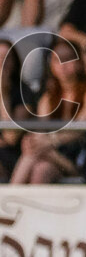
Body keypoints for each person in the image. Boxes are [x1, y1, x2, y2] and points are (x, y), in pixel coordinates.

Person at [9, 38, 86, 184]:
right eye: (57, 60)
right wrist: (32, 141)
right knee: (40, 167)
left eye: (68, 59)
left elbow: (81, 128)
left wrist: (49, 142)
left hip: (83, 157)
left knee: (36, 159)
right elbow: (41, 129)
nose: (62, 65)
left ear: (80, 62)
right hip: (53, 154)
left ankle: (8, 199)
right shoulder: (48, 97)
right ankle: (12, 200)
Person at [0, 38, 30, 181]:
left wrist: (4, 96)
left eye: (7, 58)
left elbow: (11, 137)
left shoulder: (23, 92)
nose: (2, 64)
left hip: (10, 155)